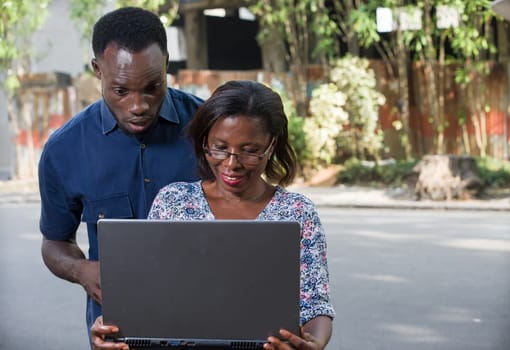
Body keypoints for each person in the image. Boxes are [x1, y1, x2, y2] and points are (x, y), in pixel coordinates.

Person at [90, 80, 336, 350]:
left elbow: (316, 305)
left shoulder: (297, 212)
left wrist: (314, 342)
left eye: (250, 151)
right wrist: (113, 328)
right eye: (219, 147)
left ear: (271, 144)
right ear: (204, 140)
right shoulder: (174, 202)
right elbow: (150, 297)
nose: (232, 163)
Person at [38, 6, 203, 341]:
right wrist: (82, 270)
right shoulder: (63, 150)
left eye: (152, 87)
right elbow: (55, 243)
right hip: (118, 335)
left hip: (206, 324)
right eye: (121, 91)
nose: (138, 105)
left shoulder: (209, 129)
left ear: (167, 64)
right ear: (98, 70)